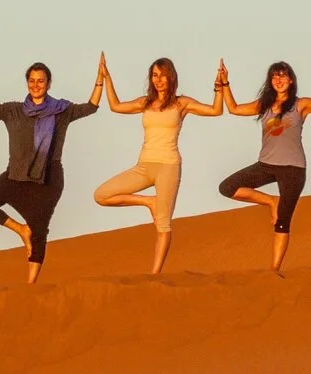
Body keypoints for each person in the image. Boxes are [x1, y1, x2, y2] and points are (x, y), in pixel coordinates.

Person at [0, 58, 105, 284]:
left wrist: (100, 79)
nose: (36, 85)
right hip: (16, 176)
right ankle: (21, 230)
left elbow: (90, 107)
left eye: (41, 81)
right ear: (27, 83)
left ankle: (30, 285)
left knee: (39, 230)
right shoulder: (13, 111)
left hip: (48, 179)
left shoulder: (61, 110)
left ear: (48, 84)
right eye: (32, 81)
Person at [94, 56, 226, 273]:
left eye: (163, 75)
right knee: (101, 195)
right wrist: (106, 78)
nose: (159, 80)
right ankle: (149, 202)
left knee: (163, 224)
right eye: (155, 75)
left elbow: (215, 110)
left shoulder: (181, 103)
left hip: (169, 166)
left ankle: (154, 274)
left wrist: (219, 86)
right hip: (144, 166)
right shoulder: (145, 102)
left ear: (171, 77)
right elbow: (116, 106)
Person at [215, 56, 311, 272]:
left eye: (283, 75)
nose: (279, 79)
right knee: (226, 187)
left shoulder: (300, 105)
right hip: (266, 164)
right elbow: (234, 108)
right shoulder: (263, 106)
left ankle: (274, 269)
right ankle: (270, 201)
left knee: (283, 222)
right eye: (275, 76)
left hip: (293, 169)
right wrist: (225, 83)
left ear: (291, 80)